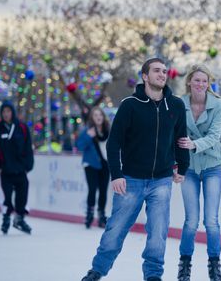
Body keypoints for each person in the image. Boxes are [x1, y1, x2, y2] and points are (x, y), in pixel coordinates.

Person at [81, 58, 190, 281]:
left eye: (164, 71)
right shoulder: (130, 105)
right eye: (157, 71)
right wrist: (117, 174)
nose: (162, 74)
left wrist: (183, 166)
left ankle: (153, 275)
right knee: (116, 229)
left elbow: (180, 138)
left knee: (158, 233)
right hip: (131, 180)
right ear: (145, 76)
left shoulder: (176, 105)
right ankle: (97, 270)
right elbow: (113, 143)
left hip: (161, 180)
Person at [176, 64, 221, 281]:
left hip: (212, 166)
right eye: (196, 80)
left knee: (211, 220)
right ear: (189, 81)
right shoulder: (179, 104)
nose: (200, 84)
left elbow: (215, 136)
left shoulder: (219, 104)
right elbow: (173, 136)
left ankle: (214, 264)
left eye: (204, 81)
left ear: (209, 83)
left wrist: (193, 144)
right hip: (188, 168)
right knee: (191, 220)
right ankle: (184, 264)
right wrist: (175, 164)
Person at [0, 102, 34, 235]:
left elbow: (28, 148)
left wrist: (28, 166)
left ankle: (19, 218)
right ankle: (6, 218)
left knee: (22, 195)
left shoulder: (22, 128)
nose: (6, 114)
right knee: (7, 197)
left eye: (8, 111)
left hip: (20, 170)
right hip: (5, 171)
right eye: (4, 112)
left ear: (12, 112)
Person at [76, 107, 111, 229]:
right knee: (92, 189)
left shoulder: (108, 130)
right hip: (91, 164)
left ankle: (101, 216)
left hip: (106, 164)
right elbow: (79, 146)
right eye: (95, 115)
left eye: (100, 114)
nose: (98, 117)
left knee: (103, 190)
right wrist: (88, 136)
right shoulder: (88, 130)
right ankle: (89, 214)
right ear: (92, 117)